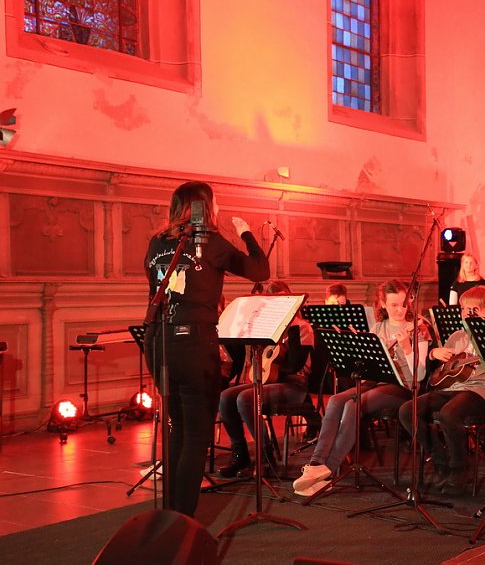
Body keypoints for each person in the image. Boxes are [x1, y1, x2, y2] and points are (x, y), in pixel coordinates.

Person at [143, 181, 270, 516]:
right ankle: (182, 520)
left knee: (178, 431)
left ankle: (170, 514)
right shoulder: (209, 241)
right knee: (197, 435)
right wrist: (245, 233)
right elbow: (260, 271)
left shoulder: (158, 241)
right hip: (195, 343)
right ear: (204, 206)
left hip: (159, 342)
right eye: (215, 203)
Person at [292, 279, 429, 496]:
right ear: (383, 304)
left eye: (404, 304)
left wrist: (406, 347)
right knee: (337, 400)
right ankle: (317, 463)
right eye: (394, 305)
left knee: (353, 405)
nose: (400, 310)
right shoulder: (378, 328)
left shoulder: (418, 329)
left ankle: (330, 469)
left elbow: (419, 376)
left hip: (401, 387)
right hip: (375, 383)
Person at [398, 286, 485, 496]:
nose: (466, 313)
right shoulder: (456, 335)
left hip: (481, 391)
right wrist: (435, 353)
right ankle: (440, 460)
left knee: (449, 413)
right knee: (408, 410)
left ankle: (459, 470)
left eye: (473, 309)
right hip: (454, 388)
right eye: (463, 309)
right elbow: (441, 374)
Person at [217, 281, 321, 478]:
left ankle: (266, 457)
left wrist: (285, 338)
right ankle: (240, 455)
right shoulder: (267, 327)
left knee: (245, 398)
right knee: (225, 397)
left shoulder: (302, 328)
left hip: (294, 385)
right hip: (268, 382)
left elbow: (296, 365)